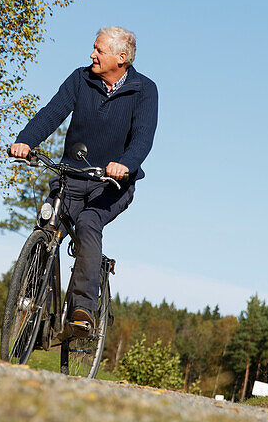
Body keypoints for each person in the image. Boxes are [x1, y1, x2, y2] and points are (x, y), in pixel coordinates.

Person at [9, 26, 157, 331]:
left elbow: (143, 138)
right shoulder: (81, 78)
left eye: (99, 50)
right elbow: (51, 113)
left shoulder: (144, 90)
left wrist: (125, 165)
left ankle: (82, 311)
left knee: (89, 223)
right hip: (72, 175)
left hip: (112, 184)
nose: (92, 55)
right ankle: (31, 307)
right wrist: (26, 140)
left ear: (121, 58)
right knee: (49, 226)